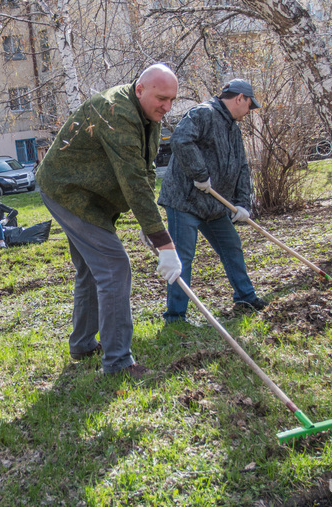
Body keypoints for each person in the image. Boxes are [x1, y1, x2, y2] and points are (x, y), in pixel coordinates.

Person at [35, 63, 182, 379]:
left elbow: (144, 172)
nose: (167, 107)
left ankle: (84, 345)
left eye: (172, 100)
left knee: (93, 268)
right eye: (162, 98)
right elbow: (131, 178)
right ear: (140, 89)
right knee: (114, 266)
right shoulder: (115, 111)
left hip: (91, 195)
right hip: (69, 192)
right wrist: (162, 240)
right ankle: (118, 363)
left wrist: (150, 225)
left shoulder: (147, 115)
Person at [158, 78, 268, 324]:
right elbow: (180, 140)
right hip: (184, 202)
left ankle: (245, 297)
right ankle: (175, 316)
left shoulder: (232, 127)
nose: (249, 111)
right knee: (182, 258)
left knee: (231, 247)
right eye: (250, 105)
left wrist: (242, 204)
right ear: (240, 98)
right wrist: (200, 174)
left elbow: (241, 166)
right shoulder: (203, 113)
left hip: (215, 206)